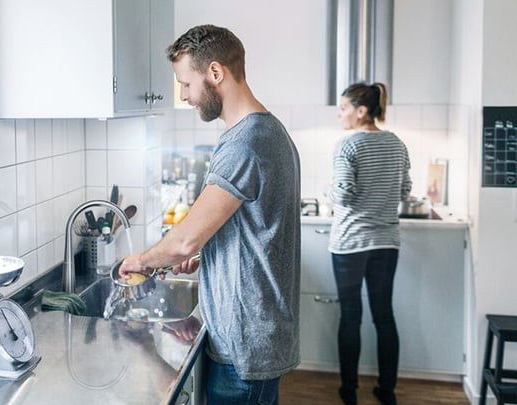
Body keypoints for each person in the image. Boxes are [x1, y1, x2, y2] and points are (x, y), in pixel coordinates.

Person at [119, 24, 301, 404]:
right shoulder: (265, 132)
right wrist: (210, 257)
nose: (184, 96)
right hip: (250, 339)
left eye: (186, 84)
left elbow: (184, 238)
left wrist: (143, 260)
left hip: (245, 348)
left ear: (215, 73)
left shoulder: (246, 144)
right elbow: (254, 231)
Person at [328, 82, 412, 405]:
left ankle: (349, 392)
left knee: (350, 316)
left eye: (343, 108)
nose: (340, 115)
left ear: (361, 111)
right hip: (386, 243)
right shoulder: (397, 144)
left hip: (350, 243)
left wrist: (329, 190)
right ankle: (386, 391)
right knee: (384, 316)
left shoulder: (348, 146)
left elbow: (344, 195)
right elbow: (404, 191)